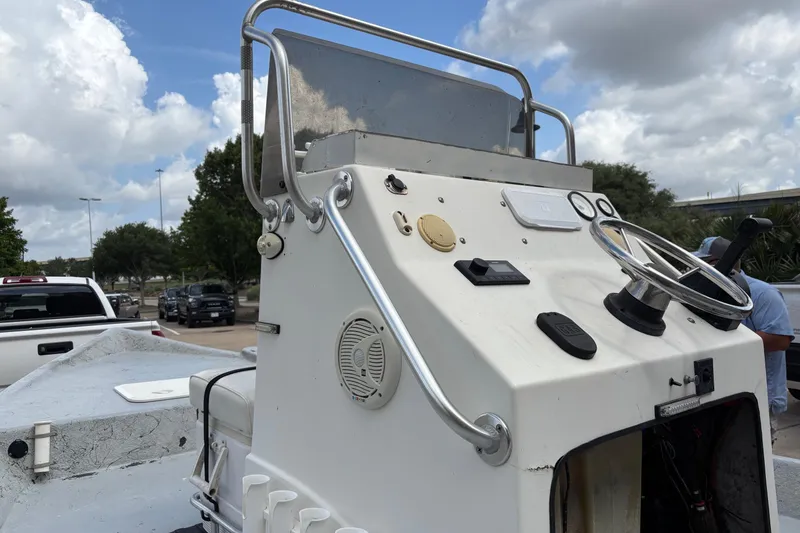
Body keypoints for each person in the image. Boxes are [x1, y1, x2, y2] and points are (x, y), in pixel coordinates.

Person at [693, 236, 794, 444]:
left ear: (720, 263)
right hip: (722, 396)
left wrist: (726, 344)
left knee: (750, 456)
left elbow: (780, 339)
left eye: (704, 263)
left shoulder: (763, 294)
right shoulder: (708, 293)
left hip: (756, 398)